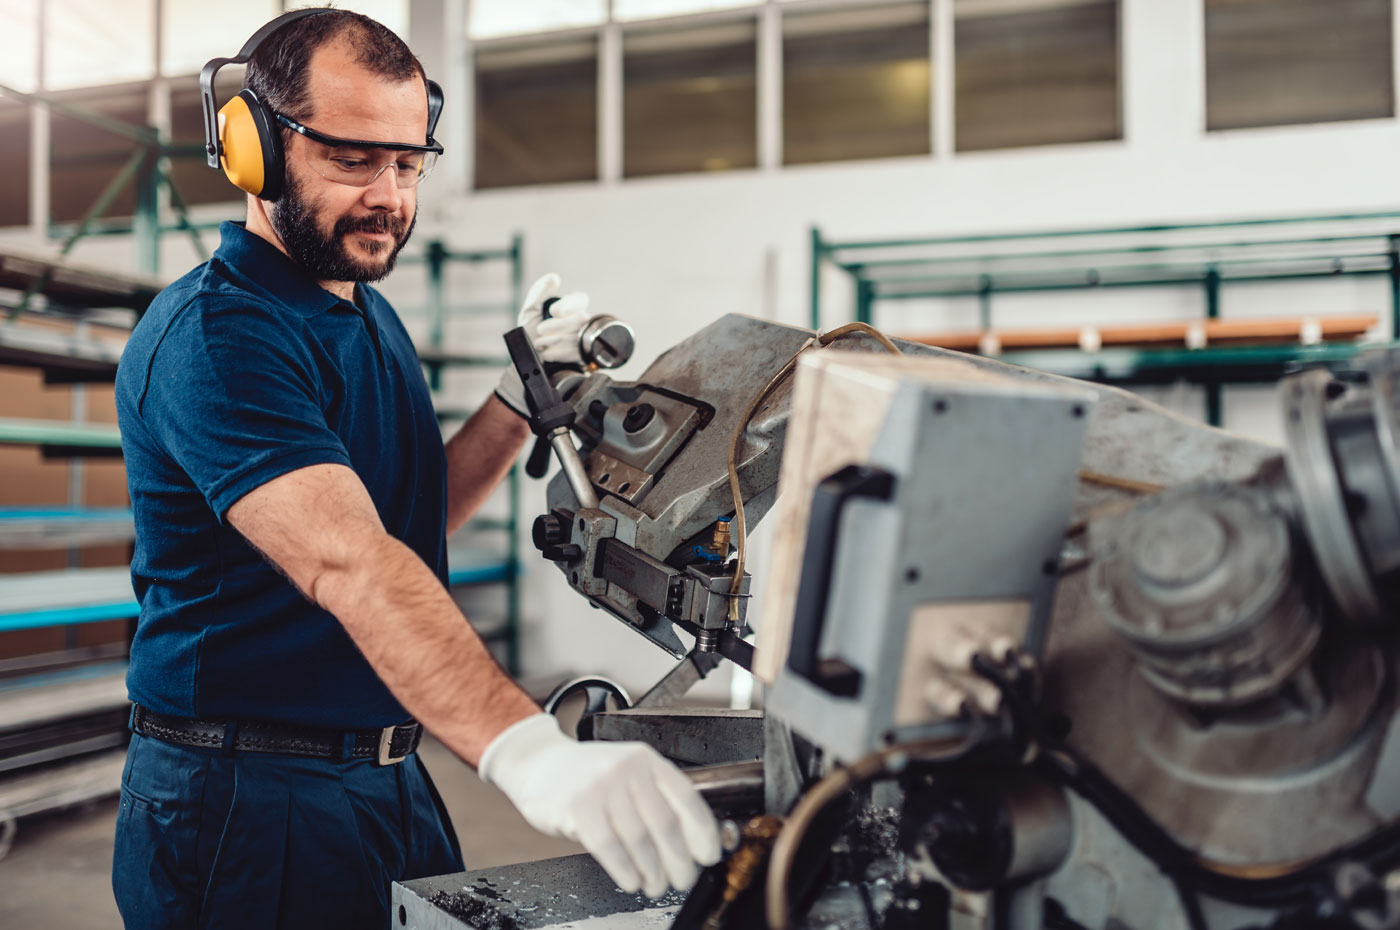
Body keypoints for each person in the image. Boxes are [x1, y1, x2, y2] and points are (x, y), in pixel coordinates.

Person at [111, 10, 719, 929]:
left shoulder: (361, 308)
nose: (389, 196)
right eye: (353, 160)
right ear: (253, 149)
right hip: (246, 798)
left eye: (407, 161)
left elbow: (408, 516)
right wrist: (525, 750)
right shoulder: (219, 337)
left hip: (384, 774)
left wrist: (519, 404)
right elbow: (350, 559)